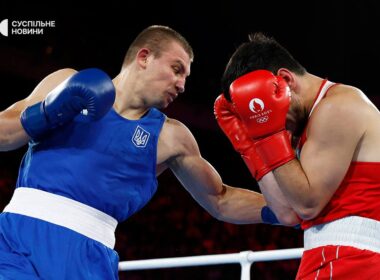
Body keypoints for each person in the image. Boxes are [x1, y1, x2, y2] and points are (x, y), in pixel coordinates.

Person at [0, 26, 298, 280]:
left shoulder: (171, 137)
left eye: (186, 77)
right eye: (176, 69)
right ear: (144, 57)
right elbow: (5, 134)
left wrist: (287, 209)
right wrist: (48, 111)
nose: (181, 85)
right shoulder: (64, 82)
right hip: (15, 237)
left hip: (87, 257)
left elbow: (220, 200)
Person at [216, 32, 380, 279]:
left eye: (261, 109)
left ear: (284, 80)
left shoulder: (339, 106)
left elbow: (307, 204)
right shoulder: (305, 127)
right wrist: (250, 142)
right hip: (331, 257)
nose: (276, 125)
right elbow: (287, 212)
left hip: (355, 260)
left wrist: (265, 135)